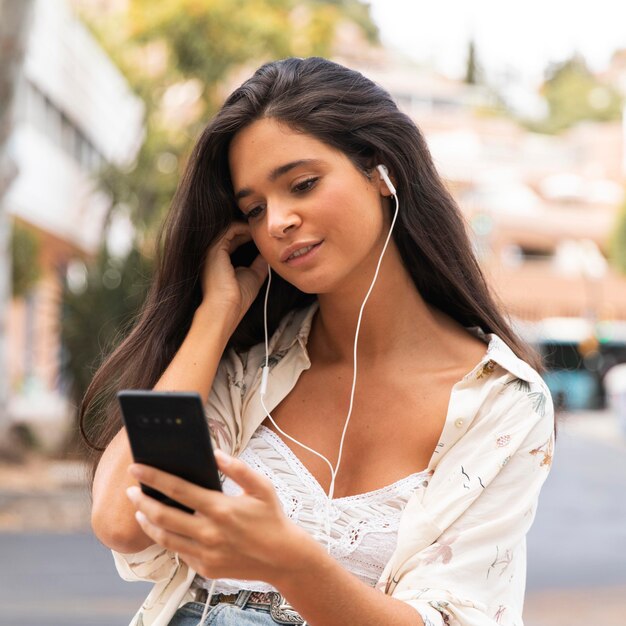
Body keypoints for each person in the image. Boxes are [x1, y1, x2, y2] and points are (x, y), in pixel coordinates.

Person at [85, 57, 555, 626]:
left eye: (302, 184)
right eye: (253, 209)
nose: (278, 220)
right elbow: (121, 518)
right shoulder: (245, 372)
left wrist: (292, 564)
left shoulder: (500, 401)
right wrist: (215, 316)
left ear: (383, 172)